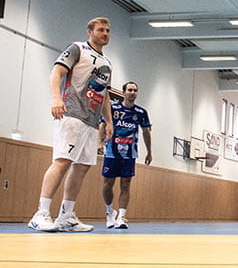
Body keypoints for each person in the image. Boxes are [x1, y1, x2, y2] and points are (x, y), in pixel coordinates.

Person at [27, 17, 113, 232]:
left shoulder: (108, 63)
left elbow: (106, 96)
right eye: (101, 30)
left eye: (108, 30)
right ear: (90, 31)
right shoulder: (77, 49)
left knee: (82, 167)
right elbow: (56, 72)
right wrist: (57, 99)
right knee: (62, 161)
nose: (105, 33)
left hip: (92, 122)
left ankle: (66, 216)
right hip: (72, 114)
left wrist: (109, 121)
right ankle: (41, 213)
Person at [99, 81, 152, 230]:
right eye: (129, 90)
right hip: (111, 152)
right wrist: (99, 143)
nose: (132, 92)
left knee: (126, 184)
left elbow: (146, 132)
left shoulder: (141, 113)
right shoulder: (112, 108)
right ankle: (110, 212)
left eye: (135, 90)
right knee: (108, 184)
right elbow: (102, 124)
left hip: (129, 154)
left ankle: (121, 216)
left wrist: (149, 152)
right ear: (123, 92)